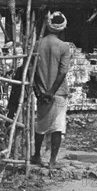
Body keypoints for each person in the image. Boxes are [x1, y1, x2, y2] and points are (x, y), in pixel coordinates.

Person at [31, 11, 70, 169]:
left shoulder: (37, 44)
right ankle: (52, 160)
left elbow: (31, 71)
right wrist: (52, 92)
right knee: (57, 127)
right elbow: (62, 72)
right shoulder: (64, 46)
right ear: (62, 28)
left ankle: (36, 155)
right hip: (58, 93)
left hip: (41, 93)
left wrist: (39, 91)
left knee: (41, 125)